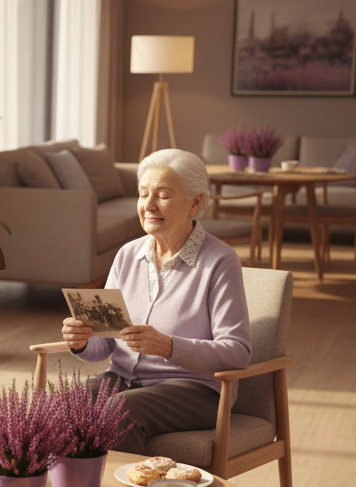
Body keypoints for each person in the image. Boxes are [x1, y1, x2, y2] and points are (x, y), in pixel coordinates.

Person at [61, 148, 252, 456]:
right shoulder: (127, 254)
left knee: (119, 411)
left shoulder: (220, 261)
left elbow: (238, 353)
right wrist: (82, 341)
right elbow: (106, 344)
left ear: (195, 202)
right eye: (143, 194)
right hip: (123, 379)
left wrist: (167, 346)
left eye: (162, 195)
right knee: (62, 406)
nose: (148, 205)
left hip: (195, 390)